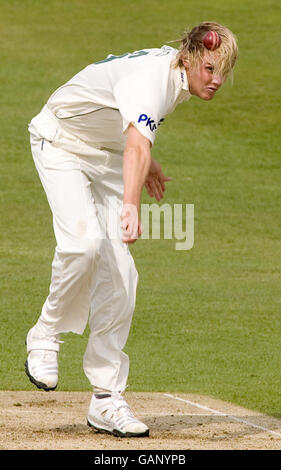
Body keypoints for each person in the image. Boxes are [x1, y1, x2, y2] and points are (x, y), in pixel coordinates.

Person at [25, 21, 238, 438]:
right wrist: (130, 206)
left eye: (223, 71)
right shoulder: (155, 81)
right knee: (83, 245)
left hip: (102, 153)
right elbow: (137, 144)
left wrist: (148, 165)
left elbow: (134, 129)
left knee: (122, 277)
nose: (217, 80)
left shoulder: (173, 75)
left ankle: (105, 399)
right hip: (61, 142)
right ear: (189, 57)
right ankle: (45, 334)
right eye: (210, 68)